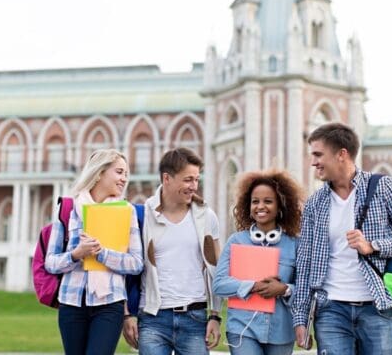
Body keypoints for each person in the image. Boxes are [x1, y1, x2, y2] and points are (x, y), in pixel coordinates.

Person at [292, 123, 392, 355]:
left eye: (318, 154)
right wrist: (300, 318)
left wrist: (373, 246)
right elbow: (304, 264)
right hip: (330, 310)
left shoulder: (383, 187)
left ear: (341, 154)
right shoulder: (315, 203)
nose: (313, 162)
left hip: (377, 307)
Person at [122, 147, 222, 355]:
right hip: (152, 319)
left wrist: (215, 315)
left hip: (195, 318)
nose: (193, 186)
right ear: (166, 178)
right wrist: (127, 314)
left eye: (196, 180)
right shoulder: (142, 215)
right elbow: (127, 268)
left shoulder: (207, 216)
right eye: (187, 180)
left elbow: (216, 268)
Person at [45, 149, 144, 355]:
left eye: (126, 173)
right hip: (71, 303)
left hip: (109, 304)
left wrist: (101, 254)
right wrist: (76, 254)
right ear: (99, 173)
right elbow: (51, 263)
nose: (124, 178)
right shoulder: (68, 209)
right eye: (119, 172)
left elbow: (136, 263)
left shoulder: (127, 211)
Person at [213, 169, 305, 355]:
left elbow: (305, 288)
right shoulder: (236, 241)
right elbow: (219, 284)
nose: (260, 206)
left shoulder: (295, 244)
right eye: (255, 201)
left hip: (281, 331)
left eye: (268, 201)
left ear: (280, 206)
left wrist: (285, 289)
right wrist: (253, 286)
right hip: (242, 328)